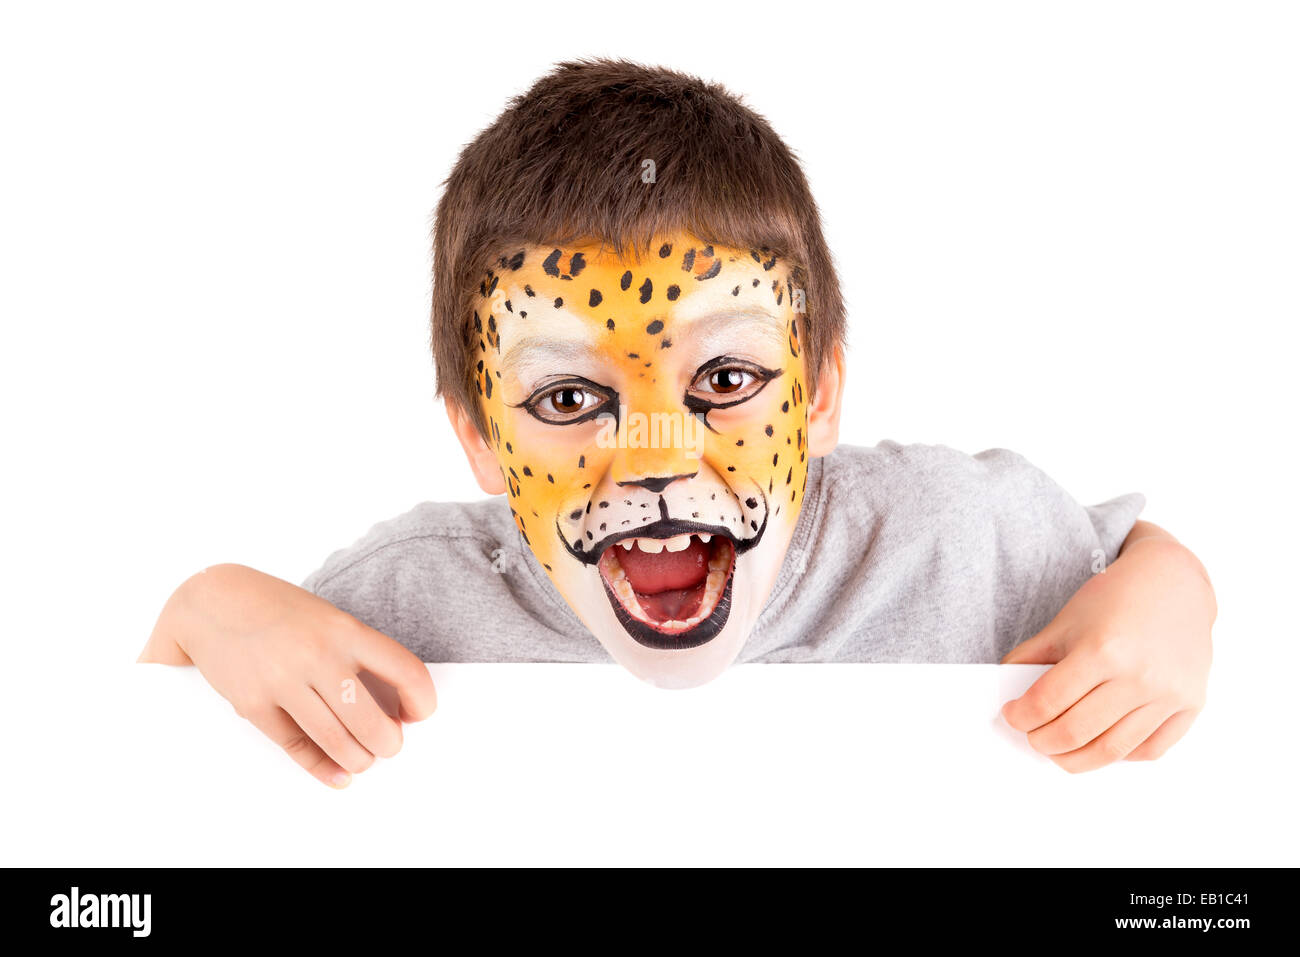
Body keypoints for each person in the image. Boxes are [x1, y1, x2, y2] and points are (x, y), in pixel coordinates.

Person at [140, 59, 1215, 788]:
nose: (657, 456)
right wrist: (203, 612)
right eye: (568, 400)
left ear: (822, 393)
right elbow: (146, 798)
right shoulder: (407, 604)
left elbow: (1138, 566)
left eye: (729, 378)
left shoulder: (953, 538)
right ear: (478, 439)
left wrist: (1176, 596)